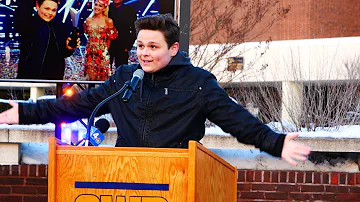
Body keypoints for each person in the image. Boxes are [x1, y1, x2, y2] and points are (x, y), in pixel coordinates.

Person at [0, 14, 310, 166]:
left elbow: (237, 120)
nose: (144, 53)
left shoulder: (198, 82)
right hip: (124, 176)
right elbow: (76, 105)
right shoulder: (124, 78)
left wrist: (276, 142)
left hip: (178, 177)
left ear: (173, 48)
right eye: (140, 46)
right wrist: (23, 111)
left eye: (153, 47)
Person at [14, 0, 79, 80]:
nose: (49, 13)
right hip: (30, 79)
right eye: (46, 8)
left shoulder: (59, 27)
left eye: (53, 10)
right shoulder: (28, 24)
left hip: (54, 80)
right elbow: (22, 13)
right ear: (37, 6)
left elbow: (63, 53)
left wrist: (68, 48)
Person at [83, 0, 118, 81]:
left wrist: (104, 50)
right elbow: (88, 35)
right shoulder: (88, 20)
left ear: (104, 8)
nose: (97, 7)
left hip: (102, 52)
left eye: (100, 6)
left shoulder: (108, 21)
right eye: (96, 5)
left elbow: (110, 38)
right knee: (90, 77)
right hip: (90, 52)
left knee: (102, 77)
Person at [108, 0, 137, 67]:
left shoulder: (130, 10)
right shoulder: (107, 9)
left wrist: (128, 46)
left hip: (123, 47)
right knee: (105, 73)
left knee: (121, 72)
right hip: (108, 46)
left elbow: (135, 29)